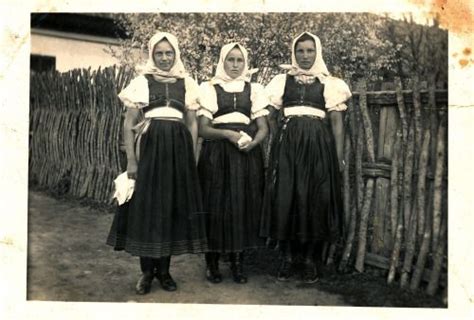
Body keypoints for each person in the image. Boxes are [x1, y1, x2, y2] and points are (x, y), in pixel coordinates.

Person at [106, 32, 208, 294]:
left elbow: (193, 123)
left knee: (171, 207)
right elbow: (129, 124)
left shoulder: (187, 84)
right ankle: (146, 273)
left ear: (176, 54)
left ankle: (164, 271)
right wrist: (131, 161)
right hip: (149, 149)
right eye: (159, 53)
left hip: (178, 150)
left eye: (169, 53)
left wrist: (192, 156)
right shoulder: (142, 82)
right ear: (152, 55)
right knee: (148, 208)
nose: (164, 58)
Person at [260, 32, 351, 283]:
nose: (305, 55)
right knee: (286, 197)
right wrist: (281, 139)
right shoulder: (282, 81)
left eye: (310, 50)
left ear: (317, 52)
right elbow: (269, 115)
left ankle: (310, 260)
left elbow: (337, 123)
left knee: (314, 198)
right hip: (288, 148)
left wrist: (338, 157)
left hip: (317, 147)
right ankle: (289, 258)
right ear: (294, 53)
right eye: (300, 50)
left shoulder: (329, 83)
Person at [197, 43, 269, 284]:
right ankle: (212, 262)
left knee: (242, 205)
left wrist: (254, 143)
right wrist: (228, 134)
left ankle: (238, 263)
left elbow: (263, 128)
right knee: (215, 204)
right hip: (217, 154)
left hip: (246, 155)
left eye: (239, 60)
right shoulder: (209, 88)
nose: (235, 65)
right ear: (222, 62)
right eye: (230, 60)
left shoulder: (254, 89)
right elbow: (203, 129)